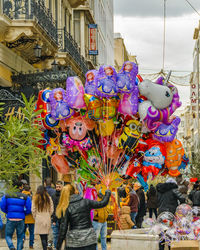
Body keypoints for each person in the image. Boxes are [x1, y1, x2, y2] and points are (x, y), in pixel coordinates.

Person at [56, 184, 111, 250]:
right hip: (89, 240)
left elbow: (63, 229)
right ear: (75, 191)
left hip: (74, 242)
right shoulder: (86, 202)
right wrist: (107, 192)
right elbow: (102, 203)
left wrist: (58, 246)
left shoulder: (66, 207)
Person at [0, 181, 31, 250]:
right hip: (21, 219)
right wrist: (24, 213)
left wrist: (8, 212)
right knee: (20, 236)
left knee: (8, 235)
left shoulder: (7, 196)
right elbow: (29, 208)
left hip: (10, 218)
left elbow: (2, 206)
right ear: (21, 187)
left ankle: (11, 246)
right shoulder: (25, 197)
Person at [156, 178, 185, 250]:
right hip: (170, 213)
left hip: (161, 213)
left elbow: (157, 201)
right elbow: (182, 198)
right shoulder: (173, 190)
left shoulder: (159, 191)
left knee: (162, 231)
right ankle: (170, 247)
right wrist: (179, 207)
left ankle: (161, 248)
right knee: (170, 231)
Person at [32, 185, 54, 250]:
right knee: (46, 234)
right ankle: (46, 247)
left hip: (39, 218)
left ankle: (44, 248)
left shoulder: (35, 198)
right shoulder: (48, 198)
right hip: (47, 218)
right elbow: (52, 209)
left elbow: (33, 209)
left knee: (42, 236)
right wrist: (48, 215)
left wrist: (35, 217)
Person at [51, 180, 63, 249]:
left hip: (62, 218)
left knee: (62, 235)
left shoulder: (64, 196)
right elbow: (52, 207)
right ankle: (56, 248)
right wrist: (53, 218)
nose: (58, 188)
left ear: (62, 187)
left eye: (59, 187)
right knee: (55, 235)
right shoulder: (53, 196)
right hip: (55, 218)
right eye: (57, 187)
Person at [22, 184, 35, 249]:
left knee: (22, 231)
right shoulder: (32, 197)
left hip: (23, 217)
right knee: (32, 232)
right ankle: (31, 245)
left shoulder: (21, 196)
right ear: (29, 190)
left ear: (23, 189)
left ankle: (22, 241)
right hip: (31, 218)